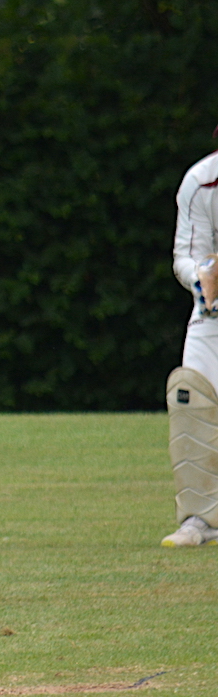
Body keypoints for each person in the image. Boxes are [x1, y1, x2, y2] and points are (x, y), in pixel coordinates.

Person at [163, 135, 218, 547]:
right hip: (211, 315)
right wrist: (203, 276)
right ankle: (199, 518)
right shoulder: (201, 181)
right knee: (190, 395)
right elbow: (185, 255)